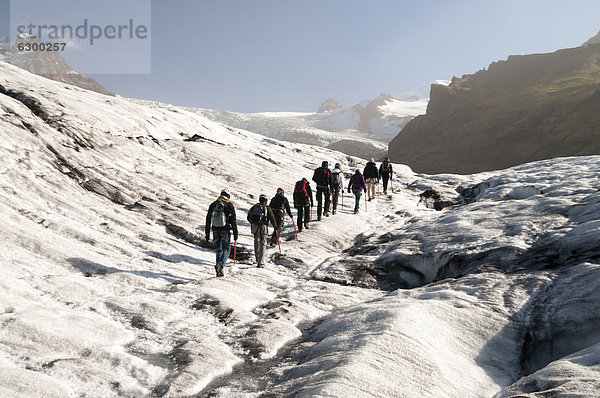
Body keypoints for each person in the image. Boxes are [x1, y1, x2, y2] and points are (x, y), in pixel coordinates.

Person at [205, 189, 238, 277]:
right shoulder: (229, 205)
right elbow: (233, 221)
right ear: (228, 196)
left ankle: (218, 265)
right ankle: (221, 266)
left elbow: (208, 219)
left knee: (218, 249)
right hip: (225, 230)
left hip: (215, 229)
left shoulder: (214, 204)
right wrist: (235, 234)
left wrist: (207, 234)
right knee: (226, 249)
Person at [247, 194, 278, 268]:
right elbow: (272, 218)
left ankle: (257, 259)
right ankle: (261, 262)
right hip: (263, 226)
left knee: (256, 242)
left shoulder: (254, 207)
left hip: (255, 226)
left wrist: (253, 223)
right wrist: (275, 227)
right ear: (266, 201)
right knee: (263, 243)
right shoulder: (267, 208)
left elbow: (248, 217)